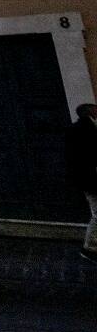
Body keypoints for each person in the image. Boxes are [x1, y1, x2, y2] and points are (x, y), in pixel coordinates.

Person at [68, 102, 97, 259]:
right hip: (91, 179)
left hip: (86, 179)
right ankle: (90, 246)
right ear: (90, 112)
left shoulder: (76, 129)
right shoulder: (87, 129)